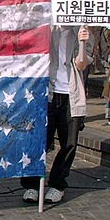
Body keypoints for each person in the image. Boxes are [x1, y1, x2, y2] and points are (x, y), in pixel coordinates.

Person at [21, 25, 94, 204]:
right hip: (46, 94)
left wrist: (82, 44)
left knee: (69, 143)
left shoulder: (84, 31)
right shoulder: (47, 27)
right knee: (38, 141)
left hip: (71, 95)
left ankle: (57, 185)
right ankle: (32, 184)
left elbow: (81, 64)